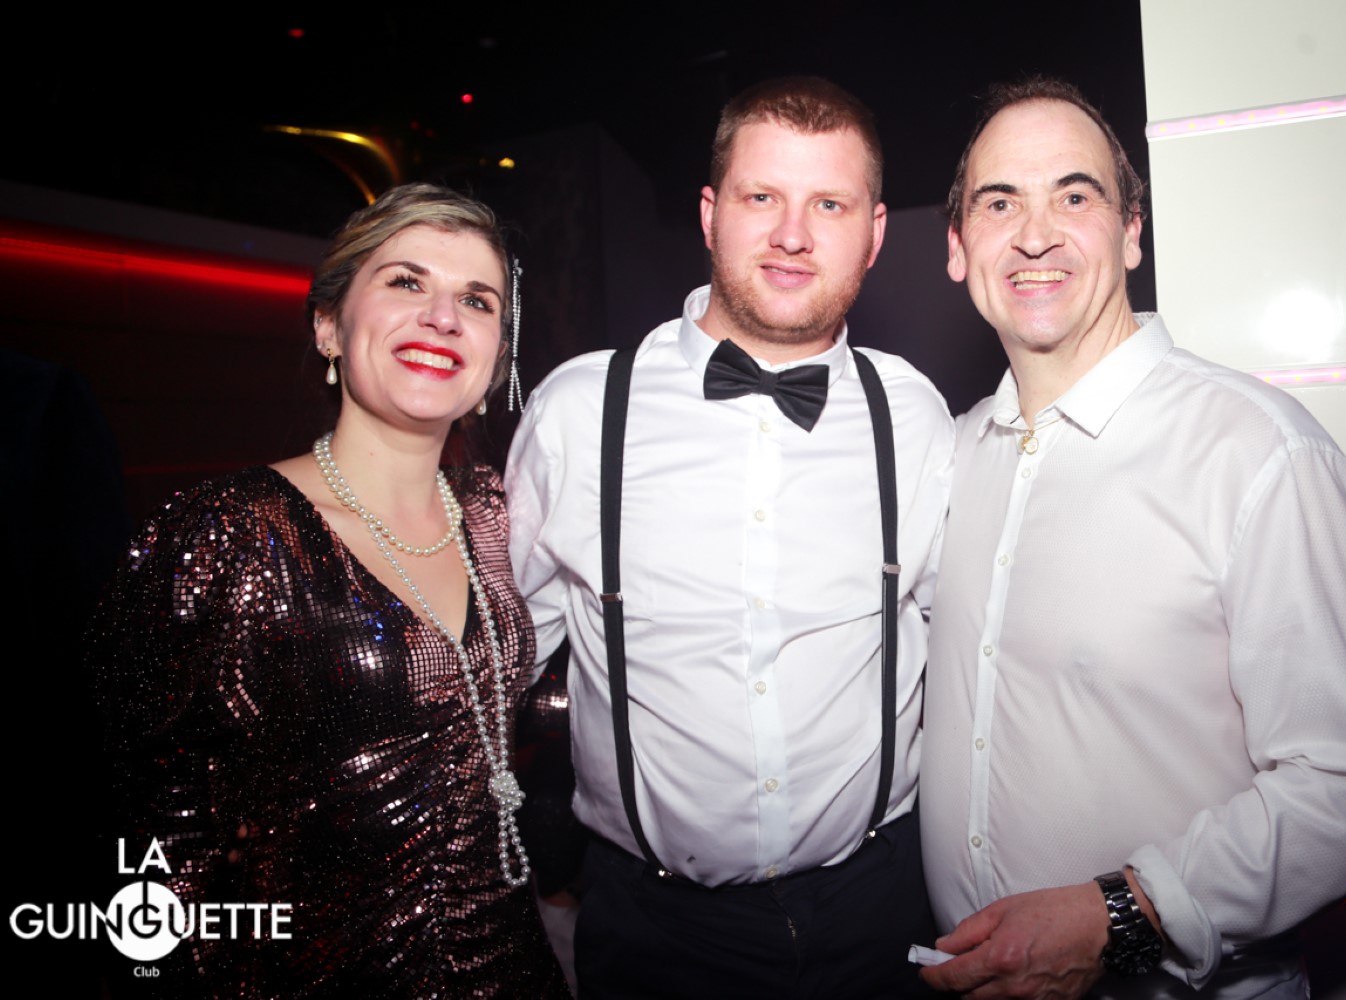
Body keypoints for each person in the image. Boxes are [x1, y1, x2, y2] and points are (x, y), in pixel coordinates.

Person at [920, 78, 1346, 999]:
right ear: (958, 247)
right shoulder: (948, 457)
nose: (1036, 235)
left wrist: (1120, 916)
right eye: (1000, 203)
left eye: (1075, 196)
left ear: (1132, 232)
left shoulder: (1259, 452)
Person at [506, 76, 954, 998]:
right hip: (653, 931)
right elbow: (499, 663)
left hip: (881, 910)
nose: (793, 234)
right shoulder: (579, 411)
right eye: (762, 197)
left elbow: (966, 648)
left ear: (873, 233)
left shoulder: (913, 413)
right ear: (711, 214)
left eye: (829, 204)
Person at [90, 183, 569, 997]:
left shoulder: (494, 515)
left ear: (497, 355)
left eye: (477, 300)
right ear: (327, 326)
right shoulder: (230, 533)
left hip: (517, 969)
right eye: (406, 282)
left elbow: (487, 703)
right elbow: (149, 839)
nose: (443, 317)